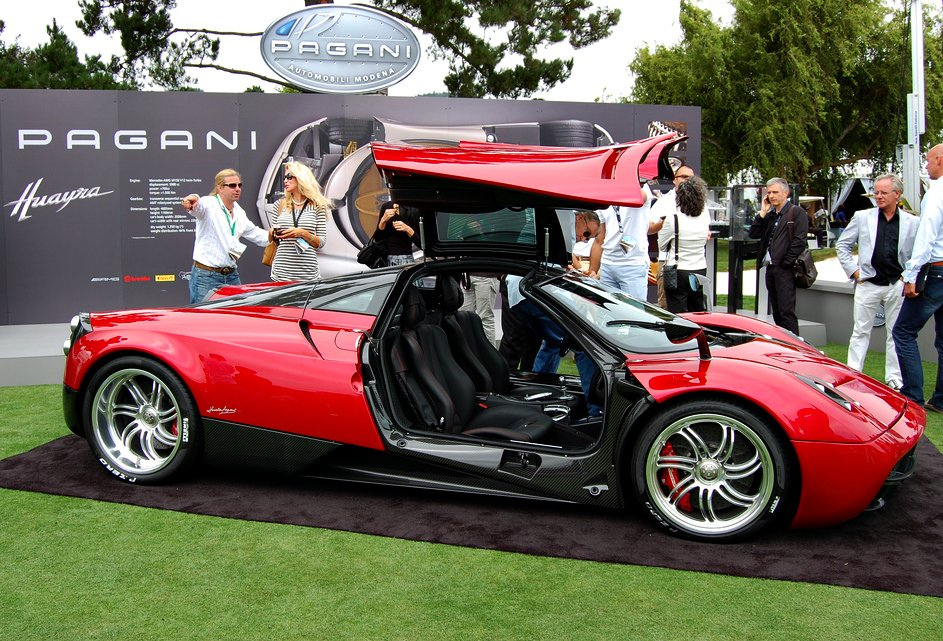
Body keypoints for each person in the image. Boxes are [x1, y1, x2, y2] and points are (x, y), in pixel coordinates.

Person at [502, 210, 603, 415]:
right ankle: (596, 411)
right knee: (580, 343)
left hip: (521, 289)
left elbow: (564, 261)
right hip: (527, 289)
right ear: (581, 218)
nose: (583, 239)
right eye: (586, 234)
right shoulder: (563, 220)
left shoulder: (561, 221)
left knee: (553, 341)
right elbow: (565, 261)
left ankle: (541, 391)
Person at [836, 174, 918, 389]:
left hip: (896, 285)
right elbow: (842, 245)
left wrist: (906, 277)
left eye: (883, 192)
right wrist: (854, 272)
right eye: (876, 192)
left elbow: (917, 254)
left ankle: (894, 378)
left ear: (897, 194)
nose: (878, 196)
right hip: (868, 284)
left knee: (895, 333)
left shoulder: (912, 222)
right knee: (860, 331)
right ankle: (853, 374)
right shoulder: (863, 217)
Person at [893, 143, 943, 409]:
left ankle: (912, 395)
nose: (926, 165)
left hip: (935, 270)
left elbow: (926, 237)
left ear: (940, 159)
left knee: (903, 331)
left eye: (928, 161)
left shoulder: (936, 194)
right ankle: (941, 399)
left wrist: (911, 274)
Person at [181, 169, 269, 304]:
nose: (237, 189)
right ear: (220, 188)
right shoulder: (209, 203)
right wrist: (193, 201)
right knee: (203, 319)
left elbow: (256, 234)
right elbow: (198, 207)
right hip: (206, 275)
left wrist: (277, 235)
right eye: (232, 185)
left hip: (231, 275)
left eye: (240, 185)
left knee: (236, 317)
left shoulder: (239, 211)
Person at [748, 177, 809, 335]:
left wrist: (785, 262)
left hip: (785, 269)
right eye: (769, 193)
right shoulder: (770, 215)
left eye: (775, 192)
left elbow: (799, 241)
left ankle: (795, 347)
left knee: (786, 311)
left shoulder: (796, 212)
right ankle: (782, 343)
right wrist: (762, 212)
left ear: (786, 193)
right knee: (776, 310)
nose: (772, 196)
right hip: (771, 267)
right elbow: (754, 233)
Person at [267, 162, 331, 282]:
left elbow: (321, 242)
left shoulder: (317, 206)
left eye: (289, 177)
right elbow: (272, 240)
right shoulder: (279, 205)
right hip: (281, 272)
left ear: (301, 178)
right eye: (285, 177)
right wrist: (272, 233)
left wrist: (302, 233)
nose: (285, 180)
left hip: (308, 273)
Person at [590, 183, 653, 300]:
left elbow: (641, 198)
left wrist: (626, 180)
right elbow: (599, 240)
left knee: (634, 313)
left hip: (632, 264)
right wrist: (592, 271)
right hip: (607, 263)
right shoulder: (605, 192)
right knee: (607, 311)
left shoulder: (642, 188)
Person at [657, 176, 711, 313]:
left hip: (678, 270)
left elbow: (661, 245)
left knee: (678, 313)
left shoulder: (673, 219)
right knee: (697, 310)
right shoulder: (705, 217)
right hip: (699, 268)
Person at [649, 164, 696, 307]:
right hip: (670, 263)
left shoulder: (700, 203)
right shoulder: (665, 201)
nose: (688, 181)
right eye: (684, 177)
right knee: (668, 308)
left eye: (691, 178)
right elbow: (649, 228)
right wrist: (664, 224)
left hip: (694, 262)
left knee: (693, 308)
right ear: (674, 180)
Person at [374, 201, 420, 266]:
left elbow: (420, 243)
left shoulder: (412, 209)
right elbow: (378, 238)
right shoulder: (386, 207)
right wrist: (383, 221)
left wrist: (407, 229)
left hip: (405, 258)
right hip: (385, 258)